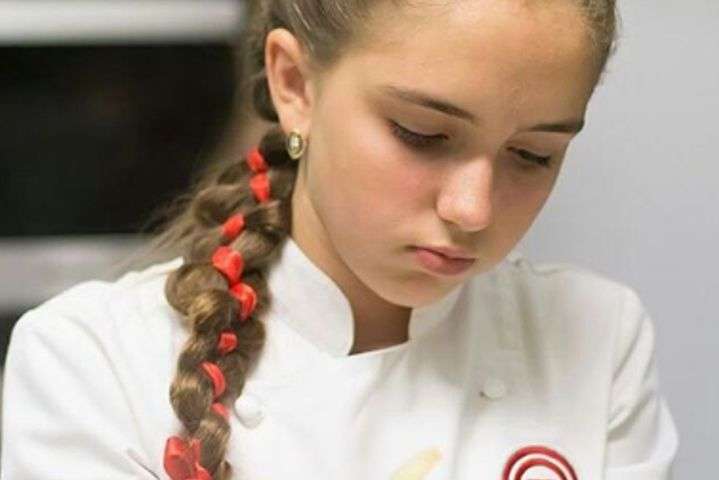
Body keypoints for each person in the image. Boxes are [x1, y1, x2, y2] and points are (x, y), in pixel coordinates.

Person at [1, 0, 680, 478]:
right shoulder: (93, 361)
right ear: (294, 84)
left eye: (533, 155)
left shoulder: (594, 335)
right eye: (422, 134)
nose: (472, 210)